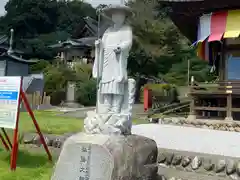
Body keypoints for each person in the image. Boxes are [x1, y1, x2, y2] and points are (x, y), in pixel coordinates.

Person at [93, 4, 133, 114]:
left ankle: (116, 107)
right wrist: (99, 45)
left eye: (120, 16)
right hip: (107, 59)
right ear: (112, 17)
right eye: (115, 16)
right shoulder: (108, 31)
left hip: (118, 59)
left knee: (117, 82)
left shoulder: (126, 29)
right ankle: (107, 106)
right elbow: (103, 44)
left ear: (124, 17)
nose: (117, 18)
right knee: (106, 82)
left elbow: (128, 43)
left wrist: (120, 47)